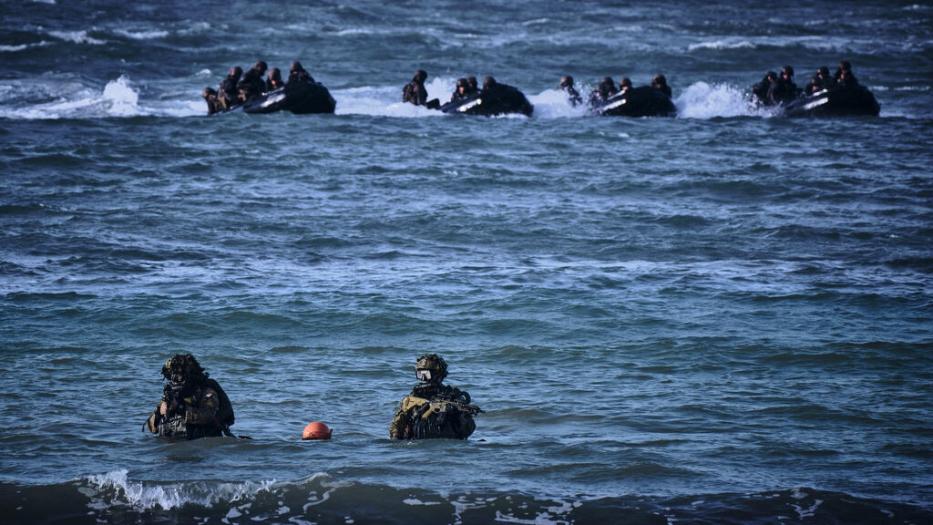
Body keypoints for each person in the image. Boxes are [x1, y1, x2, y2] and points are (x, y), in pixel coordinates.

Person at [389, 354, 480, 440]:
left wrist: (459, 412)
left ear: (437, 375)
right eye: (420, 375)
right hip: (419, 446)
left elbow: (468, 429)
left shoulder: (452, 395)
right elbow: (396, 428)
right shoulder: (412, 398)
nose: (423, 379)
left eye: (426, 375)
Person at [145, 354, 235, 440]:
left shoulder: (207, 391)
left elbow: (207, 416)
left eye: (179, 377)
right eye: (173, 377)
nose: (176, 381)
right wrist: (159, 413)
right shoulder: (171, 394)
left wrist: (182, 409)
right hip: (172, 444)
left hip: (198, 443)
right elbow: (152, 428)